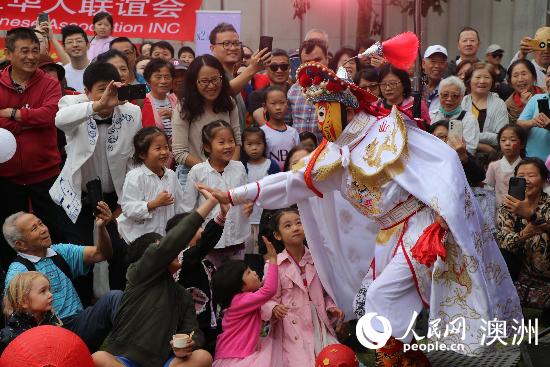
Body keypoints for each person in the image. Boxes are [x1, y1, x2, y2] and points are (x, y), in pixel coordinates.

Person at [200, 59, 522, 364]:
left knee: (382, 299)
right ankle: (409, 360)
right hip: (388, 233)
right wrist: (232, 194)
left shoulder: (388, 130)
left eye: (325, 110)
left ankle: (398, 363)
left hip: (420, 226)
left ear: (345, 107)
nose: (321, 119)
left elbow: (445, 160)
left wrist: (442, 206)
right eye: (317, 111)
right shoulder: (333, 154)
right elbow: (289, 182)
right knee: (376, 303)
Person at [92, 189, 219, 367]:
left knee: (203, 357)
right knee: (99, 358)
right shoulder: (138, 276)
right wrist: (210, 204)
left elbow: (193, 330)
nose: (172, 251)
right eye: (162, 248)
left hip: (162, 362)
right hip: (125, 359)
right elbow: (169, 245)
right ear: (148, 258)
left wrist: (190, 343)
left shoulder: (181, 294)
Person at [49, 62, 141, 294]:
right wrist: (97, 105)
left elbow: (132, 159)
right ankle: (80, 311)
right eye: (102, 88)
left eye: (113, 87)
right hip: (77, 196)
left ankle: (120, 306)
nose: (109, 93)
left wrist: (124, 204)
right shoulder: (73, 103)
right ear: (87, 91)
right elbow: (60, 120)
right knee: (81, 255)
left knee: (120, 253)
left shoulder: (131, 111)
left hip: (114, 198)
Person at [2, 207, 121, 352]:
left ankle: (133, 347)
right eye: (34, 228)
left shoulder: (60, 251)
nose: (43, 229)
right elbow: (15, 315)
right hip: (51, 337)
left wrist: (101, 228)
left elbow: (102, 253)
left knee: (113, 298)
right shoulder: (18, 272)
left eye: (41, 223)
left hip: (79, 323)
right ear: (20, 244)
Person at [0, 27, 63, 272]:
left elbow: (50, 115)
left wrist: (13, 114)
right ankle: (11, 286)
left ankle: (55, 282)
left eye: (35, 50)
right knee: (8, 237)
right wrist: (29, 119)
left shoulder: (49, 82)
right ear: (9, 53)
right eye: (24, 50)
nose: (31, 56)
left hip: (44, 174)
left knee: (51, 233)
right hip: (7, 178)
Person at [260, 208, 344, 367]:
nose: (296, 228)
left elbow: (325, 294)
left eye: (299, 223)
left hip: (318, 323)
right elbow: (265, 298)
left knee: (335, 359)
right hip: (291, 328)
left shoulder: (317, 258)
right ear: (277, 236)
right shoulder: (274, 265)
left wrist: (331, 307)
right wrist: (274, 307)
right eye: (288, 225)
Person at [182, 121, 250, 266]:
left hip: (236, 237)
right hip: (209, 240)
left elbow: (246, 195)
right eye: (221, 142)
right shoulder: (197, 171)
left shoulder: (239, 168)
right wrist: (195, 229)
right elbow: (187, 207)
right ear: (207, 147)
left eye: (231, 141)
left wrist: (249, 204)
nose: (228, 146)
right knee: (212, 281)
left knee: (236, 279)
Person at [171, 55, 242, 188]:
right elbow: (179, 152)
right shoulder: (183, 108)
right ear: (194, 83)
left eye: (215, 79)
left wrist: (231, 170)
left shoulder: (229, 103)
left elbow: (237, 140)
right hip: (193, 174)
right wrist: (211, 170)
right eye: (204, 81)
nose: (211, 85)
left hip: (227, 173)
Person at [168, 203, 227, 356]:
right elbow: (206, 242)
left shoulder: (204, 262)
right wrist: (221, 216)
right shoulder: (184, 259)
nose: (202, 232)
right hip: (192, 327)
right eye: (197, 228)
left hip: (211, 322)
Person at [211, 240, 280, 366]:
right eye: (248, 272)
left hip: (234, 353)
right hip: (235, 357)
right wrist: (273, 261)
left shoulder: (239, 300)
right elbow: (269, 290)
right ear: (239, 286)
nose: (254, 272)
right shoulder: (241, 301)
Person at [497, 158, 550, 310]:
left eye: (532, 175)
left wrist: (531, 216)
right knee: (502, 252)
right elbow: (503, 242)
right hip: (521, 272)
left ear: (544, 179)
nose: (526, 180)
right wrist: (523, 234)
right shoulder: (508, 207)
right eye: (521, 176)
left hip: (546, 271)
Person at [117, 127, 185, 244]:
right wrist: (154, 204)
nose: (164, 152)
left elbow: (179, 205)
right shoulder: (135, 176)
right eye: (158, 148)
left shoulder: (171, 175)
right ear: (143, 154)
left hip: (165, 237)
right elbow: (128, 208)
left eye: (166, 147)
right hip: (140, 239)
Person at [209, 23, 271, 132]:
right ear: (212, 48)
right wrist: (252, 68)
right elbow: (224, 92)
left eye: (236, 43)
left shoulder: (235, 78)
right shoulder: (209, 72)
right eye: (226, 44)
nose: (232, 48)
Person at [240, 127, 280, 268]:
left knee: (265, 251)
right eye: (249, 144)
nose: (254, 148)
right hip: (247, 219)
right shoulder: (242, 167)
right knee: (249, 254)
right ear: (243, 146)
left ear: (264, 144)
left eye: (258, 144)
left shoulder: (272, 165)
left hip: (266, 219)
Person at [0, 271, 61, 353]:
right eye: (43, 291)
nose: (50, 295)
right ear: (23, 301)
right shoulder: (10, 336)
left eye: (49, 290)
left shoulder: (52, 319)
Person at [462, 62, 509, 153]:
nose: (482, 81)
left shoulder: (499, 104)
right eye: (478, 77)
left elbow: (502, 137)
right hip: (463, 155)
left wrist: (471, 137)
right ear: (469, 80)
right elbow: (455, 133)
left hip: (490, 158)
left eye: (487, 77)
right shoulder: (462, 102)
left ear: (492, 81)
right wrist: (480, 146)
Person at [288, 39, 329, 143]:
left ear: (327, 59)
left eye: (317, 60)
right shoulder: (293, 90)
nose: (313, 65)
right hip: (299, 154)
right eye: (307, 62)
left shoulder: (339, 88)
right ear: (301, 64)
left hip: (329, 154)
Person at [428, 76, 480, 155]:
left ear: (462, 97)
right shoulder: (431, 115)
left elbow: (470, 150)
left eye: (455, 96)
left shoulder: (469, 119)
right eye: (445, 95)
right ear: (439, 95)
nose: (449, 99)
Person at [428, 120, 485, 187]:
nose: (437, 140)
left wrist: (463, 158)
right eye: (434, 137)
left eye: (441, 136)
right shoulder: (426, 156)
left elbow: (479, 177)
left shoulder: (462, 153)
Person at [248, 49, 292, 125]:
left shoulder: (297, 92)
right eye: (274, 67)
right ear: (266, 68)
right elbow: (265, 126)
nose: (279, 70)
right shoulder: (256, 96)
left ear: (289, 68)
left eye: (283, 66)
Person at [485, 125, 526, 206]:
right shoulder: (493, 166)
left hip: (521, 210)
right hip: (499, 212)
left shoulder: (527, 167)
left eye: (512, 140)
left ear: (522, 144)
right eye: (503, 140)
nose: (507, 143)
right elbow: (489, 190)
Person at [260, 86, 300, 170]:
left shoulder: (293, 132)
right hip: (270, 179)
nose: (278, 107)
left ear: (287, 104)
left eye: (282, 102)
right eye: (273, 103)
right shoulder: (261, 132)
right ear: (265, 106)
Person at [516, 64, 550, 161]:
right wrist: (532, 122)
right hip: (532, 161)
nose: (549, 79)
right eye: (548, 75)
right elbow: (519, 125)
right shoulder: (536, 98)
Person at [141, 59, 178, 141]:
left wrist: (174, 116)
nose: (163, 81)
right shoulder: (142, 102)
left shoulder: (176, 100)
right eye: (158, 77)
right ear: (148, 80)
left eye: (167, 77)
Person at [505, 59, 543, 124]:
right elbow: (515, 131)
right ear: (510, 81)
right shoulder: (508, 106)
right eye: (515, 76)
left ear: (534, 77)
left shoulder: (546, 93)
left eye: (524, 74)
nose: (520, 79)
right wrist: (526, 107)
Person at [61, 25, 90, 93]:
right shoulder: (62, 74)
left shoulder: (99, 70)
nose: (75, 45)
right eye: (70, 42)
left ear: (88, 45)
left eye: (79, 41)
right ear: (64, 48)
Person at [422, 45, 448, 114]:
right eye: (433, 61)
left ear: (446, 66)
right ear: (423, 64)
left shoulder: (449, 90)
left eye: (441, 62)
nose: (437, 66)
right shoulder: (414, 88)